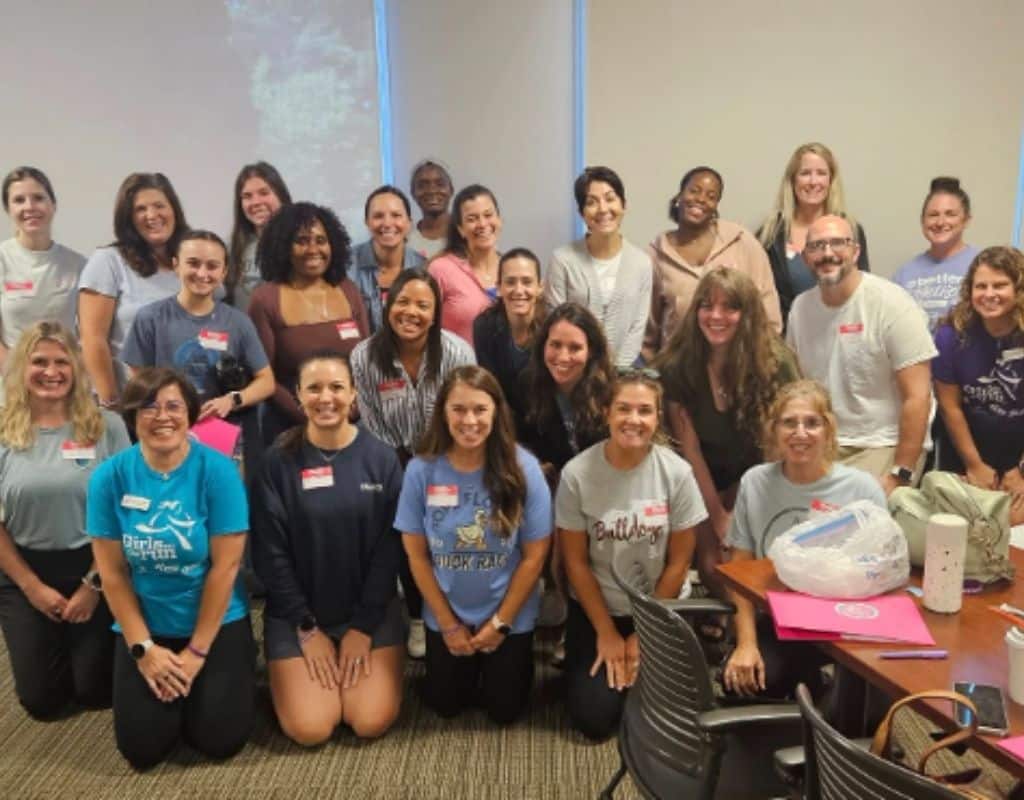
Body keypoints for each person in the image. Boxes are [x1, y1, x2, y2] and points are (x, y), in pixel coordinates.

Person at [87, 368, 254, 769]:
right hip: (147, 622)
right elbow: (112, 574)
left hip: (213, 621)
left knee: (220, 741)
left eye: (173, 406)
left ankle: (223, 673)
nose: (162, 416)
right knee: (142, 750)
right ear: (131, 417)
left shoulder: (217, 471)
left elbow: (225, 569)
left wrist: (196, 653)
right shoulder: (109, 477)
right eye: (148, 407)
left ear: (190, 413)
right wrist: (143, 649)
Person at [251, 351, 404, 744]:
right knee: (311, 728)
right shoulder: (275, 463)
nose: (326, 398)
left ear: (353, 394)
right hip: (296, 614)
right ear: (298, 397)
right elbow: (270, 555)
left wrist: (363, 627)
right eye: (314, 388)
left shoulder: (382, 459)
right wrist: (306, 628)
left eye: (337, 387)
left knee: (368, 720)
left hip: (368, 611)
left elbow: (391, 552)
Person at [395, 365, 551, 723]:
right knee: (445, 705)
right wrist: (448, 624)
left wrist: (501, 622)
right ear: (443, 413)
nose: (470, 420)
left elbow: (534, 556)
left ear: (496, 413)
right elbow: (416, 556)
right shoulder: (421, 469)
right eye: (459, 409)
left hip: (508, 613)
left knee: (505, 711)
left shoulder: (523, 469)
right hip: (447, 610)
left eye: (480, 410)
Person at [556, 369, 705, 740]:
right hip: (598, 609)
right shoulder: (577, 474)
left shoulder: (678, 473)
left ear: (657, 418)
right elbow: (575, 562)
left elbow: (679, 562)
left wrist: (644, 633)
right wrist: (606, 632)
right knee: (593, 720)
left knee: (668, 718)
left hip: (659, 609)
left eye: (645, 411)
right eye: (623, 408)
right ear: (606, 412)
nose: (633, 420)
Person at [722, 380, 886, 700]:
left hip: (843, 624)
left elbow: (882, 576)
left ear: (828, 431)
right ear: (775, 430)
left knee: (866, 710)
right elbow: (737, 572)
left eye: (812, 423)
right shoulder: (755, 482)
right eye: (789, 423)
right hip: (777, 621)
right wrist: (746, 643)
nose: (800, 433)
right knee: (744, 686)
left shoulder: (862, 489)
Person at [0, 322, 129, 718]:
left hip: (96, 564)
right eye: (39, 361)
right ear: (22, 367)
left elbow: (126, 510)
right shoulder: (3, 430)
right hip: (23, 570)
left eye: (61, 362)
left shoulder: (107, 426)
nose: (51, 372)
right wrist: (33, 588)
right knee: (43, 701)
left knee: (96, 691)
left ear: (76, 369)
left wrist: (93, 584)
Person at [655, 267, 799, 606]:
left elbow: (776, 445)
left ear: (746, 313)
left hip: (757, 474)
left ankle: (756, 637)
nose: (716, 316)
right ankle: (728, 636)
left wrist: (744, 509)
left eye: (729, 307)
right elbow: (688, 448)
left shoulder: (774, 363)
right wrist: (719, 516)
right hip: (699, 478)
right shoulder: (678, 364)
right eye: (707, 305)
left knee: (757, 562)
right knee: (712, 565)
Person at [351, 267, 475, 659]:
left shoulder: (456, 352)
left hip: (451, 456)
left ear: (436, 312)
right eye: (403, 301)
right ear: (387, 304)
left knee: (453, 535)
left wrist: (441, 463)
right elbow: (370, 420)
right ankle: (419, 618)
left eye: (423, 305)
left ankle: (460, 608)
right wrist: (406, 471)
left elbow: (469, 410)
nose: (412, 312)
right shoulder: (365, 355)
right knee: (408, 537)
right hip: (392, 460)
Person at [786, 215, 935, 494]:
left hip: (883, 443)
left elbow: (918, 397)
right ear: (806, 258)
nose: (827, 253)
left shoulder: (892, 304)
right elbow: (800, 389)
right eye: (817, 246)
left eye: (837, 243)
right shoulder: (800, 309)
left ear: (856, 252)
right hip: (825, 442)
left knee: (850, 522)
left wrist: (900, 474)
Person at [248, 202, 369, 445]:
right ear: (284, 247)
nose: (313, 249)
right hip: (292, 429)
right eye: (302, 241)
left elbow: (366, 359)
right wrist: (309, 413)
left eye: (321, 240)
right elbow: (264, 375)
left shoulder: (348, 289)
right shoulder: (265, 299)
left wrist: (353, 406)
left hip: (350, 424)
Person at [122, 229, 274, 418]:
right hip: (168, 427)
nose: (202, 273)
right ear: (176, 265)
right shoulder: (150, 318)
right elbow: (139, 384)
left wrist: (232, 400)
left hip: (223, 433)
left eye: (212, 266)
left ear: (224, 272)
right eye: (193, 263)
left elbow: (266, 381)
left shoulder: (238, 322)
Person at [642, 166, 781, 362]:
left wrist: (761, 361)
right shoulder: (656, 254)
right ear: (679, 196)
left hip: (738, 368)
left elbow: (767, 308)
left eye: (711, 196)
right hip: (678, 374)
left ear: (716, 205)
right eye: (694, 191)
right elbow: (649, 331)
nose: (701, 199)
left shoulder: (741, 241)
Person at [78, 173, 189, 409]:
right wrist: (112, 402)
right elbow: (92, 339)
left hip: (188, 404)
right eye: (140, 209)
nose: (151, 215)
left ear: (174, 210)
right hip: (132, 404)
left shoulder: (192, 262)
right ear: (128, 218)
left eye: (159, 205)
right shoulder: (108, 261)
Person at [933, 247, 1024, 523]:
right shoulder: (951, 336)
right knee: (966, 520)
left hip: (1018, 448)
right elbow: (950, 408)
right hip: (966, 447)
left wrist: (1019, 470)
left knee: (1013, 519)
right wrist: (975, 465)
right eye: (980, 286)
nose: (989, 294)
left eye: (1000, 285)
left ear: (1018, 289)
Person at [545, 166, 652, 367]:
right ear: (582, 213)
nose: (603, 209)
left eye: (610, 198)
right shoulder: (562, 260)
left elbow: (637, 327)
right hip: (572, 370)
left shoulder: (641, 263)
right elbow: (557, 323)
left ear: (623, 204)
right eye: (592, 202)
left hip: (624, 372)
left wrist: (617, 373)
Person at [758, 143, 869, 325]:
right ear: (793, 180)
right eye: (805, 173)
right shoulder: (770, 234)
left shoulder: (851, 229)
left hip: (843, 336)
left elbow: (863, 290)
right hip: (789, 340)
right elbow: (762, 299)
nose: (813, 181)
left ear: (831, 180)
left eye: (821, 173)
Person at [0, 167, 84, 369]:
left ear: (53, 205)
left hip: (62, 382)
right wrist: (21, 375)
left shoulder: (78, 265)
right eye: (19, 200)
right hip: (10, 384)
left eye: (38, 198)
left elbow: (87, 336)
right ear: (8, 209)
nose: (30, 207)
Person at [521, 303, 613, 477]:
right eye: (555, 345)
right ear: (543, 346)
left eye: (575, 348)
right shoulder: (525, 386)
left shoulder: (611, 391)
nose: (563, 357)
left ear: (591, 351)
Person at [473, 248, 547, 433]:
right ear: (498, 287)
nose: (519, 290)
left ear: (540, 287)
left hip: (547, 426)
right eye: (510, 282)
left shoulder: (552, 329)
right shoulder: (484, 327)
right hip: (502, 426)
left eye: (527, 282)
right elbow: (492, 390)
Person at [893, 177, 976, 331]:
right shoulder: (904, 275)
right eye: (933, 215)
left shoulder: (982, 265)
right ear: (922, 221)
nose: (940, 222)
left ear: (966, 220)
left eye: (950, 214)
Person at [428, 184, 501, 347]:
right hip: (458, 370)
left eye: (488, 215)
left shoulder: (510, 268)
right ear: (460, 229)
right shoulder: (440, 269)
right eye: (472, 219)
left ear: (499, 219)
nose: (482, 224)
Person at [352, 185, 426, 334]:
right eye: (378, 216)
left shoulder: (424, 268)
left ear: (408, 223)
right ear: (367, 222)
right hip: (359, 354)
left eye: (396, 215)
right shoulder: (346, 265)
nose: (387, 223)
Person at [227, 161, 292, 312]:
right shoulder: (232, 248)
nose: (256, 202)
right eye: (247, 196)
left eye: (264, 193)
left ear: (280, 195)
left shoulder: (301, 243)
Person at [407, 160, 453, 259]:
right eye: (422, 186)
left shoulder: (466, 235)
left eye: (440, 184)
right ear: (413, 193)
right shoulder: (406, 241)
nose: (432, 190)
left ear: (451, 190)